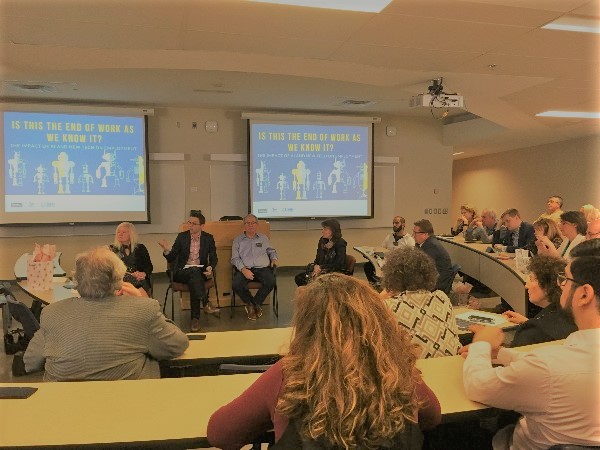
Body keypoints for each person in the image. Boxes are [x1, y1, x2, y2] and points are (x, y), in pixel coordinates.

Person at [207, 274, 442, 449]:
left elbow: (221, 434)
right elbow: (432, 417)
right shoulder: (396, 370)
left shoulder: (289, 374)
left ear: (307, 326)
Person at [461, 239, 600, 449]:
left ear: (584, 294)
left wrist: (481, 344)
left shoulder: (547, 367)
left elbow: (478, 386)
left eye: (565, 279)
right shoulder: (561, 359)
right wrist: (502, 354)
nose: (560, 285)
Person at [23, 247, 189, 381]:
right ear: (118, 280)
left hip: (65, 410)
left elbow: (30, 361)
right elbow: (177, 344)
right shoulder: (143, 309)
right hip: (129, 407)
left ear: (77, 281)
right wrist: (142, 301)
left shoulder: (51, 313)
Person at [380, 247, 461, 358]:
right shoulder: (442, 297)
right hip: (453, 367)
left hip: (417, 371)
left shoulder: (387, 306)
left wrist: (381, 297)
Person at [158, 211, 219, 333]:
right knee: (194, 273)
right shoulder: (182, 237)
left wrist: (210, 267)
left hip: (198, 272)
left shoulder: (208, 238)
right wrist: (166, 250)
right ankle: (204, 304)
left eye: (194, 223)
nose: (190, 225)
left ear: (202, 226)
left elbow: (213, 257)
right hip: (181, 272)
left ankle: (195, 319)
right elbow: (171, 257)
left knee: (194, 277)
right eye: (189, 222)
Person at [502, 255, 576, 347]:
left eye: (531, 279)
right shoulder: (570, 315)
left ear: (548, 286)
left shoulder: (532, 333)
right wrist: (528, 322)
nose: (526, 286)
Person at [231, 214, 278, 320]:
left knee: (271, 281)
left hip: (263, 268)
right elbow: (235, 258)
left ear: (257, 225)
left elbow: (272, 251)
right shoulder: (238, 240)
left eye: (253, 223)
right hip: (245, 268)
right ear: (244, 225)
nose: (250, 225)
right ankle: (251, 304)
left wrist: (274, 259)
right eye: (248, 223)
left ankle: (254, 305)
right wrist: (243, 270)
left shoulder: (263, 238)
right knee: (236, 284)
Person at [295, 218, 347, 286]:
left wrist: (321, 268)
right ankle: (310, 295)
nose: (322, 231)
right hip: (321, 270)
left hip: (333, 272)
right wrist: (315, 267)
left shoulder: (340, 243)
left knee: (315, 283)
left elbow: (339, 264)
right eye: (323, 229)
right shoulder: (322, 240)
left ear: (333, 231)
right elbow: (318, 258)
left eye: (325, 229)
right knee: (299, 278)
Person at [363, 215, 415, 283]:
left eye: (396, 223)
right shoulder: (390, 236)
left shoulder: (409, 240)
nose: (394, 225)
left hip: (399, 264)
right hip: (386, 261)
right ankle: (374, 284)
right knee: (368, 266)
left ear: (403, 225)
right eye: (393, 223)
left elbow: (410, 257)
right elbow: (381, 249)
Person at [109, 222, 153, 294]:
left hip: (138, 278)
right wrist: (129, 274)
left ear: (131, 234)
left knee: (139, 283)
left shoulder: (140, 248)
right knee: (126, 286)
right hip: (120, 279)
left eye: (124, 232)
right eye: (118, 232)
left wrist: (143, 273)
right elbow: (110, 269)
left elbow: (149, 267)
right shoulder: (112, 249)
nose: (120, 234)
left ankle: (142, 303)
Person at [413, 219, 455, 295]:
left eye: (415, 233)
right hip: (435, 280)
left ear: (425, 234)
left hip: (438, 284)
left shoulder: (431, 246)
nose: (413, 235)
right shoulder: (427, 243)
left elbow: (424, 269)